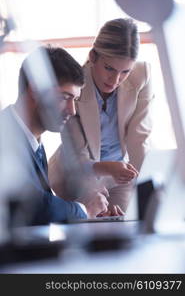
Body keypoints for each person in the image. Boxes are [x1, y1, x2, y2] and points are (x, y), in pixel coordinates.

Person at [49, 18, 154, 212]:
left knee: (123, 225)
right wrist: (92, 193)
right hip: (77, 172)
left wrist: (148, 185)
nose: (115, 80)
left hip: (119, 174)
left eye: (125, 72)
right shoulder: (74, 86)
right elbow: (78, 158)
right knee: (90, 223)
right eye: (109, 68)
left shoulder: (142, 76)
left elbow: (140, 139)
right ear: (93, 56)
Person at [0, 45, 110, 226]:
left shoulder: (33, 142)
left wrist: (86, 207)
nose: (72, 110)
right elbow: (31, 204)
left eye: (74, 100)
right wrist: (83, 210)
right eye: (64, 97)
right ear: (35, 91)